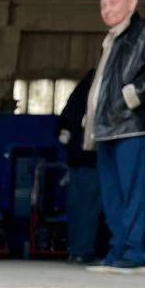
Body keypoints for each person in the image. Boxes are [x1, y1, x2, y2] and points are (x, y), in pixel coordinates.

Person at [83, 0, 145, 275]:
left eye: (113, 2)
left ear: (132, 3)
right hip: (107, 127)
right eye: (102, 5)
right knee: (112, 196)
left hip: (132, 126)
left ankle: (134, 255)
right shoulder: (112, 39)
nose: (107, 9)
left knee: (133, 194)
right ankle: (117, 253)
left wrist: (132, 95)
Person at [57, 69, 101, 264]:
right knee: (89, 208)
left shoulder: (81, 90)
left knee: (77, 208)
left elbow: (64, 122)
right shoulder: (97, 86)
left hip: (76, 159)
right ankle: (83, 251)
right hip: (90, 158)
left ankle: (75, 250)